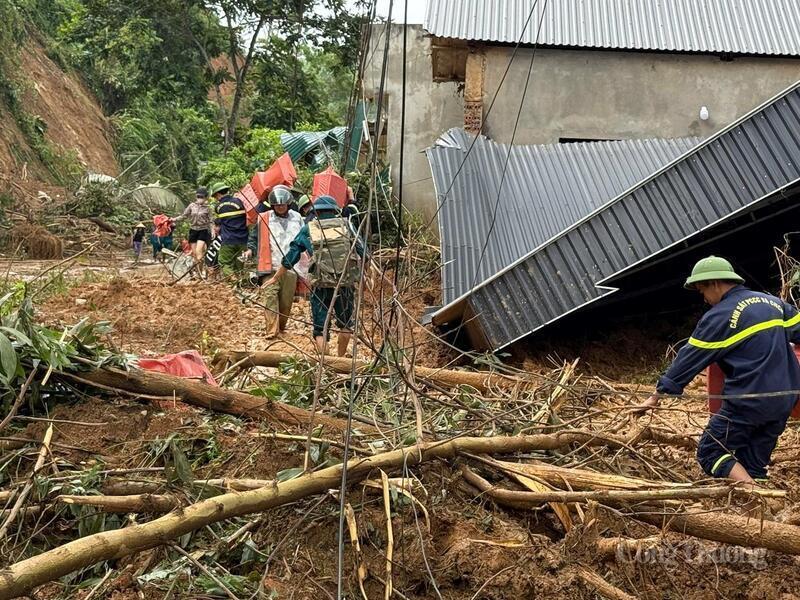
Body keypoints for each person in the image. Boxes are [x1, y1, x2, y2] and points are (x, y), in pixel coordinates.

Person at [638, 255, 800, 484]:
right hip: (785, 399)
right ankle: (761, 504)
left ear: (714, 283)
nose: (704, 299)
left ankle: (753, 492)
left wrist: (655, 397)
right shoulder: (773, 303)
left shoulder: (720, 316)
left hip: (748, 402)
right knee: (754, 463)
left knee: (710, 452)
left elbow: (688, 359)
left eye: (702, 291)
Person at [264, 195, 363, 356]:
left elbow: (291, 257)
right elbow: (363, 252)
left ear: (315, 212)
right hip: (345, 283)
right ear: (335, 210)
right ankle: (340, 360)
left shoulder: (309, 229)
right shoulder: (346, 225)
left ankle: (327, 364)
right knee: (345, 325)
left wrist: (276, 277)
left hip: (320, 285)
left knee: (320, 329)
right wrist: (364, 275)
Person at [245, 185, 307, 338]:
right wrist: (250, 249)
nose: (280, 207)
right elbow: (254, 237)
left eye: (282, 204)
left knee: (286, 302)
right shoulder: (264, 218)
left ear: (288, 204)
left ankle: (281, 327)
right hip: (270, 264)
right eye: (277, 205)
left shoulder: (297, 217)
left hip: (291, 266)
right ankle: (272, 331)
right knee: (270, 297)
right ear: (272, 205)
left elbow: (305, 238)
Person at [209, 182, 248, 279]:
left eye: (215, 196)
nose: (215, 198)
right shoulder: (240, 201)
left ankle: (233, 282)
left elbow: (220, 222)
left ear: (218, 194)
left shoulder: (218, 207)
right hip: (243, 239)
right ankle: (243, 284)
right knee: (241, 264)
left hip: (228, 240)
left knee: (224, 262)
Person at [174, 187, 212, 276]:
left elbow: (211, 220)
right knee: (195, 255)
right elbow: (184, 216)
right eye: (198, 196)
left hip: (203, 230)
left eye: (201, 197)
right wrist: (173, 219)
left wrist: (213, 230)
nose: (200, 198)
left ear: (206, 197)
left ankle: (202, 272)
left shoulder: (208, 208)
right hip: (193, 230)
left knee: (199, 252)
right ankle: (199, 273)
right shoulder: (192, 206)